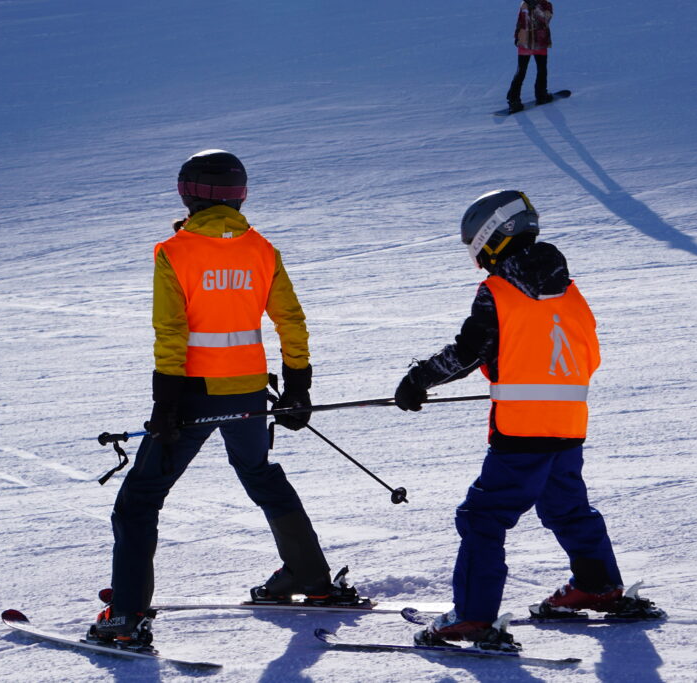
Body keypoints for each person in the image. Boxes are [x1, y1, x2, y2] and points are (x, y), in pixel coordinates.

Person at [89, 149, 360, 646]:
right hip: (250, 389)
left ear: (188, 193)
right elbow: (291, 319)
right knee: (260, 474)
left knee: (139, 500)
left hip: (194, 392)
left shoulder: (175, 252)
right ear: (240, 194)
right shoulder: (262, 250)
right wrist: (297, 384)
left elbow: (171, 333)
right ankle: (311, 579)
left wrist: (165, 403)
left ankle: (126, 617)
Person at [393, 190, 660, 648]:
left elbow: (468, 351)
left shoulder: (497, 290)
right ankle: (598, 586)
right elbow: (588, 355)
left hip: (520, 431)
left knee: (483, 517)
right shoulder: (571, 290)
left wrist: (418, 380)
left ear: (490, 238)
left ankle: (473, 618)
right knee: (567, 507)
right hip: (569, 424)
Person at [506, 0, 554, 113]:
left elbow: (544, 20)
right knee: (525, 71)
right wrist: (517, 36)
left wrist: (536, 8)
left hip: (535, 42)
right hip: (531, 41)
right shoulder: (528, 4)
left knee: (538, 69)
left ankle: (539, 95)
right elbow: (522, 20)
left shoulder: (543, 5)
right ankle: (515, 100)